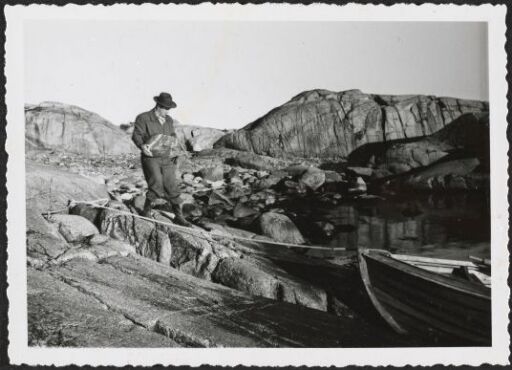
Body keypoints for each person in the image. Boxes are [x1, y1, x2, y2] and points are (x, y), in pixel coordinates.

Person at [131, 92, 192, 227]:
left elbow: (172, 135)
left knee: (171, 185)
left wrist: (175, 143)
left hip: (166, 156)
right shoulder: (143, 118)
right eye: (166, 108)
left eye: (169, 108)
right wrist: (142, 145)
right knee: (156, 182)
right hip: (150, 156)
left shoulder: (169, 120)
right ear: (158, 105)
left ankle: (178, 216)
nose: (168, 111)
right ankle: (146, 211)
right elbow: (136, 134)